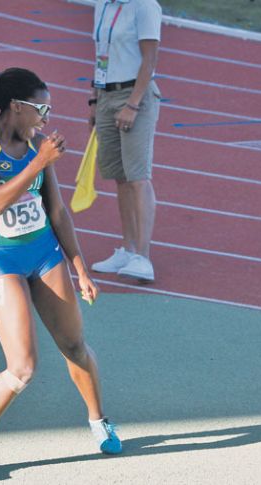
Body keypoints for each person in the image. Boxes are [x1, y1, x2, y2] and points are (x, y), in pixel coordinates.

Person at [0, 54, 122, 480]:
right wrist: (39, 162)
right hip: (2, 260)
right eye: (41, 109)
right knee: (21, 367)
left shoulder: (35, 148)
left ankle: (98, 422)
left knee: (75, 345)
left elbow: (57, 212)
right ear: (17, 107)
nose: (46, 118)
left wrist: (80, 269)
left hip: (44, 254)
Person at [88, 0, 163, 283]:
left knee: (138, 177)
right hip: (106, 95)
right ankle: (128, 248)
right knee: (119, 176)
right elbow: (100, 55)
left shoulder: (144, 6)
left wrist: (132, 104)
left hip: (135, 95)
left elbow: (150, 59)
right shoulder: (103, 5)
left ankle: (143, 256)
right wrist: (94, 101)